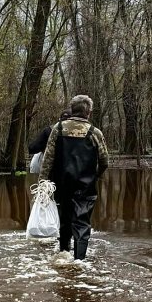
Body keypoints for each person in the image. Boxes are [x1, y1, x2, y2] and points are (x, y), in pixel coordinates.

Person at [39, 95, 109, 260]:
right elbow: (105, 161)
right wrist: (95, 175)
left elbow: (48, 158)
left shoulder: (58, 129)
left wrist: (42, 182)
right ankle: (79, 261)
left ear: (72, 110)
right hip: (86, 185)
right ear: (88, 112)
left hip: (62, 183)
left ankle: (64, 253)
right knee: (82, 222)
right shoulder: (95, 133)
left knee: (64, 221)